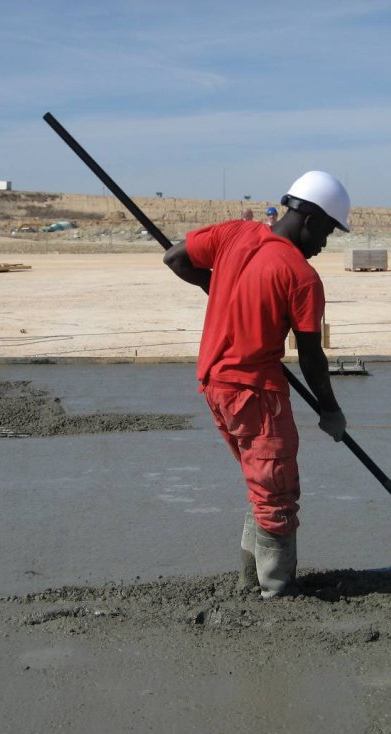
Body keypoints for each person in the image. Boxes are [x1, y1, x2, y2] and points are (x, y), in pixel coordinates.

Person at [163, 171, 350, 598]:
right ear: (310, 219)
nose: (325, 243)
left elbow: (175, 257)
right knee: (277, 491)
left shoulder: (234, 234)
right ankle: (276, 590)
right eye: (326, 231)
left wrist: (221, 288)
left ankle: (250, 580)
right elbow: (311, 357)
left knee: (260, 483)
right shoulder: (301, 276)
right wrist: (330, 409)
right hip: (255, 394)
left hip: (215, 385)